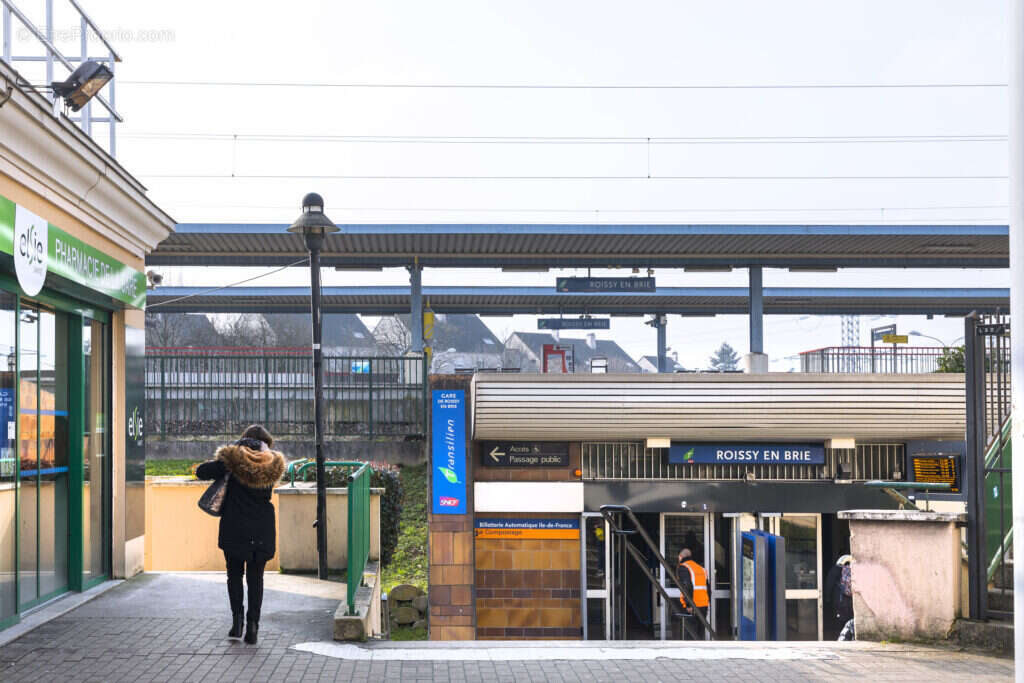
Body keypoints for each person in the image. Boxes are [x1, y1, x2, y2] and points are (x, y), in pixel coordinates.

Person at [195, 424, 285, 645]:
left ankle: (237, 623)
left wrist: (225, 462)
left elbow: (201, 472)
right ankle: (253, 627)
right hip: (261, 528)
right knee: (256, 578)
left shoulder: (232, 460)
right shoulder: (272, 463)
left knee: (234, 575)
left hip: (235, 526)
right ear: (267, 442)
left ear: (243, 439)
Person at [676, 548, 709, 640]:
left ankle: (690, 653)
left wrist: (688, 604)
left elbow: (687, 586)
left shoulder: (683, 567)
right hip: (703, 605)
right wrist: (707, 601)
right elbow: (708, 588)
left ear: (680, 557)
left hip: (693, 605)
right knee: (700, 632)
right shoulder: (701, 569)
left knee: (690, 633)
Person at [824, 554, 854, 640]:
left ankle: (839, 640)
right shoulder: (855, 569)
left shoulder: (835, 570)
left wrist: (827, 597)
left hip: (839, 601)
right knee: (850, 623)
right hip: (851, 601)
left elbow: (829, 584)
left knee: (839, 623)